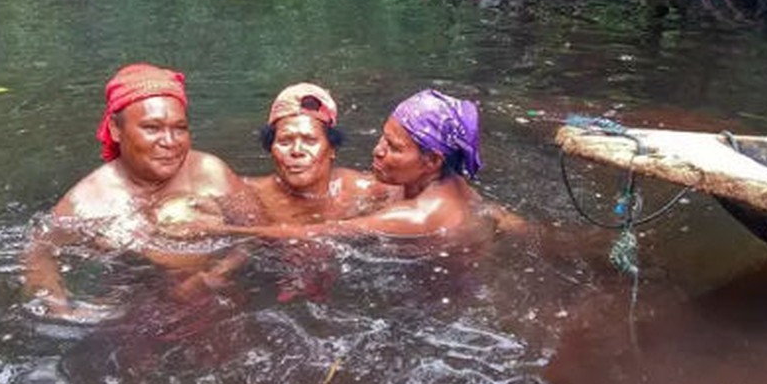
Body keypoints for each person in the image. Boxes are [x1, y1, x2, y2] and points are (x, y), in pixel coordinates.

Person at [23, 63, 261, 320]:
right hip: (135, 310)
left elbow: (259, 233)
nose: (169, 142)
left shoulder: (210, 172)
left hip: (219, 300)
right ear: (116, 129)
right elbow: (38, 254)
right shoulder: (86, 203)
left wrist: (215, 275)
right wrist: (66, 313)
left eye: (179, 128)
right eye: (152, 128)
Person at [189, 89, 524, 241]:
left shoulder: (418, 214)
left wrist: (220, 232)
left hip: (442, 302)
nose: (377, 151)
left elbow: (314, 234)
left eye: (393, 147)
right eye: (382, 138)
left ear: (432, 160)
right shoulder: (451, 183)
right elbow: (497, 215)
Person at [243, 82, 400, 224]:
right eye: (285, 142)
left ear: (331, 149)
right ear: (271, 148)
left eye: (310, 141)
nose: (297, 151)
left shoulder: (367, 191)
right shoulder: (251, 195)